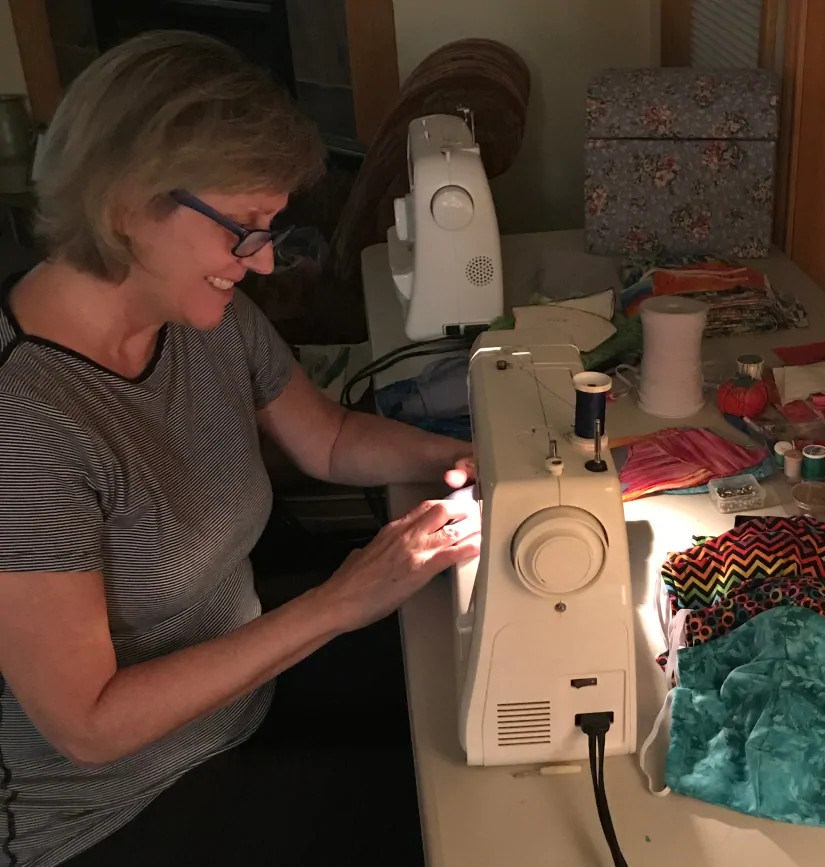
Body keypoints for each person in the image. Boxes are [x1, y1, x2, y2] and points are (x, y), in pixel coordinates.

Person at [0, 31, 481, 867]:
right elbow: (90, 724)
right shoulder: (27, 426)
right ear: (127, 204)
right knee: (467, 831)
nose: (260, 264)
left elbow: (326, 436)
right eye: (243, 231)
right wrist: (341, 600)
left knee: (472, 690)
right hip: (113, 810)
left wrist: (473, 453)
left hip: (241, 698)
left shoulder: (202, 321)